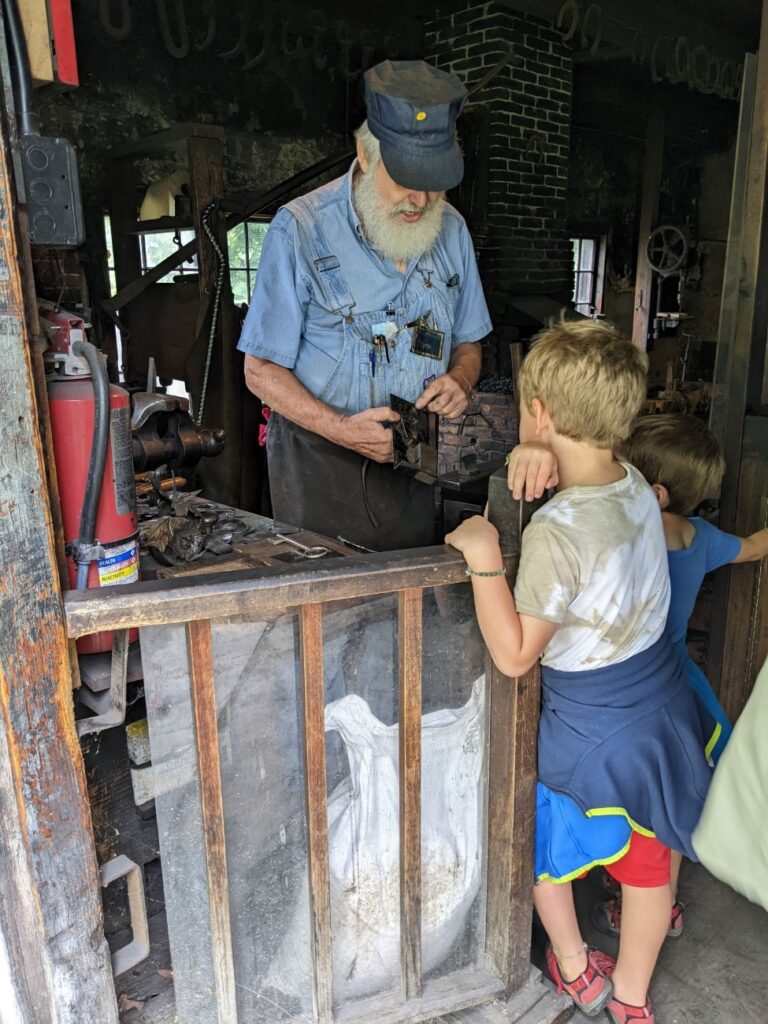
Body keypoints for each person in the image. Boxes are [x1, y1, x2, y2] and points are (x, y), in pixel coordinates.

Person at [445, 319, 713, 1024]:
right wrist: (537, 451)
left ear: (539, 414)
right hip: (661, 708)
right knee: (652, 862)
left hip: (590, 731)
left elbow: (514, 653)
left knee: (542, 842)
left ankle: (572, 967)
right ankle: (629, 998)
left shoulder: (556, 532)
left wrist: (482, 555)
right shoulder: (631, 483)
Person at [507, 412, 768, 939]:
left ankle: (612, 887)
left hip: (611, 690)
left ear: (654, 490)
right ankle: (658, 900)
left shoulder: (622, 517)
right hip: (670, 686)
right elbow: (756, 548)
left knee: (604, 796)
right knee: (667, 800)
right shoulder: (701, 537)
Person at [238, 59, 492, 550]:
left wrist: (460, 379)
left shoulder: (453, 230)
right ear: (365, 152)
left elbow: (469, 342)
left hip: (414, 463)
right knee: (327, 620)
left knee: (406, 612)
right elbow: (259, 370)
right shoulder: (302, 230)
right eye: (405, 179)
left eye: (433, 181)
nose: (420, 199)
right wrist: (340, 429)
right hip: (319, 464)